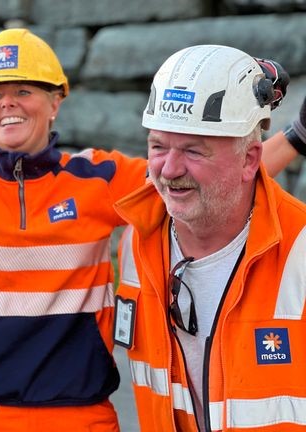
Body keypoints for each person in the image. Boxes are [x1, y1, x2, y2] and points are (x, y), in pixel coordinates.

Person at [0, 28, 301, 431]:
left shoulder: (97, 177)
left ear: (56, 101)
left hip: (77, 415)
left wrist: (296, 137)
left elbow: (201, 179)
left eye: (23, 91)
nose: (7, 104)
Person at [114, 44, 306, 431]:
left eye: (193, 151)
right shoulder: (138, 242)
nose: (168, 170)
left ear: (250, 159)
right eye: (157, 147)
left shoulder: (299, 251)